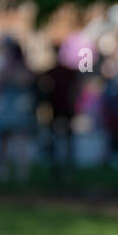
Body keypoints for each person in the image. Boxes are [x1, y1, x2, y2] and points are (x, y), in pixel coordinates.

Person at [0, 37, 37, 182]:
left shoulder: (21, 68)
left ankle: (21, 172)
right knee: (4, 139)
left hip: (19, 107)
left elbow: (25, 81)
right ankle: (4, 171)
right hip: (9, 106)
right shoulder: (7, 67)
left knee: (20, 140)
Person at [38, 43, 79, 176]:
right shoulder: (65, 72)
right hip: (60, 108)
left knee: (60, 138)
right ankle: (63, 163)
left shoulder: (55, 72)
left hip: (59, 108)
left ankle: (62, 163)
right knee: (63, 138)